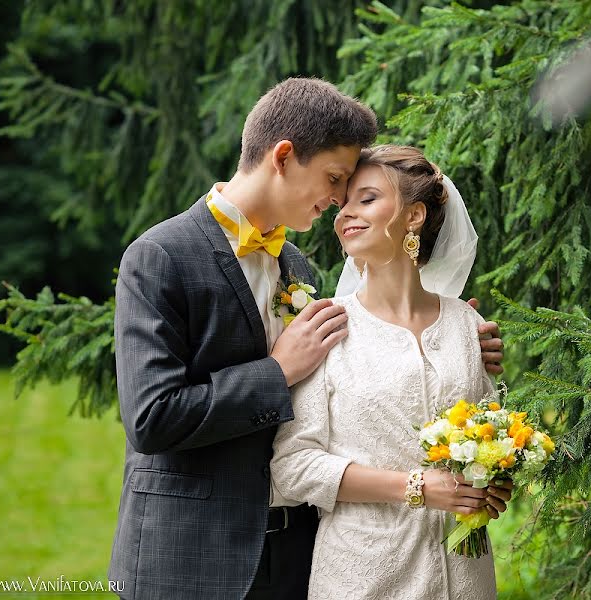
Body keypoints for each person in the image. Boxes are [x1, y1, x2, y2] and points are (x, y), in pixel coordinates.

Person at [109, 79, 504, 600]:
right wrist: (277, 372)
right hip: (193, 549)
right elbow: (150, 418)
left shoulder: (296, 266)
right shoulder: (161, 255)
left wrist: (444, 343)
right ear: (284, 156)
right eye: (335, 179)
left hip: (298, 551)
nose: (339, 201)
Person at [269, 145, 510, 600]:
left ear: (414, 215)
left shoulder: (468, 326)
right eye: (343, 205)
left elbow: (491, 435)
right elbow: (293, 466)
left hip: (467, 576)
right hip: (363, 575)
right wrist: (417, 487)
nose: (345, 216)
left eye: (367, 199)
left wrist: (492, 482)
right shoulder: (325, 326)